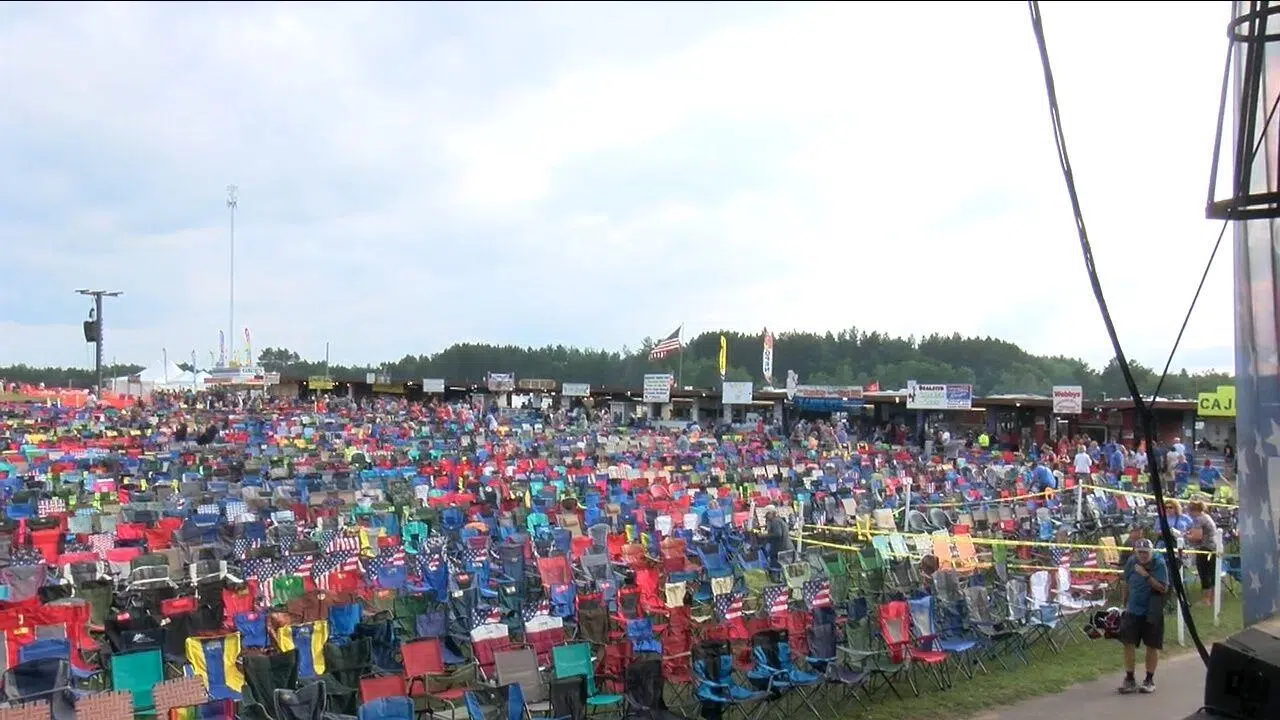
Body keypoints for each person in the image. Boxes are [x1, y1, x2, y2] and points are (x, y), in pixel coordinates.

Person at [1119, 539, 1168, 695]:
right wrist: (1124, 603)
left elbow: (1163, 588)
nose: (1143, 555)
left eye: (1146, 552)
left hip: (1152, 610)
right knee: (1128, 643)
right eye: (1140, 552)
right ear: (1136, 552)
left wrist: (1146, 575)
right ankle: (1129, 678)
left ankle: (1149, 679)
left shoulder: (1159, 564)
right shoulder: (1132, 561)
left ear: (1151, 552)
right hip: (1133, 609)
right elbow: (1126, 582)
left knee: (1152, 645)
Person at [1186, 500, 1219, 605]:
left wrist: (1185, 536)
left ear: (1193, 510)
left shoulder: (1199, 519)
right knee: (1211, 573)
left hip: (1205, 548)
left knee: (1204, 574)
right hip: (1212, 547)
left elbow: (1197, 537)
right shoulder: (1206, 517)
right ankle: (1213, 598)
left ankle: (1206, 599)